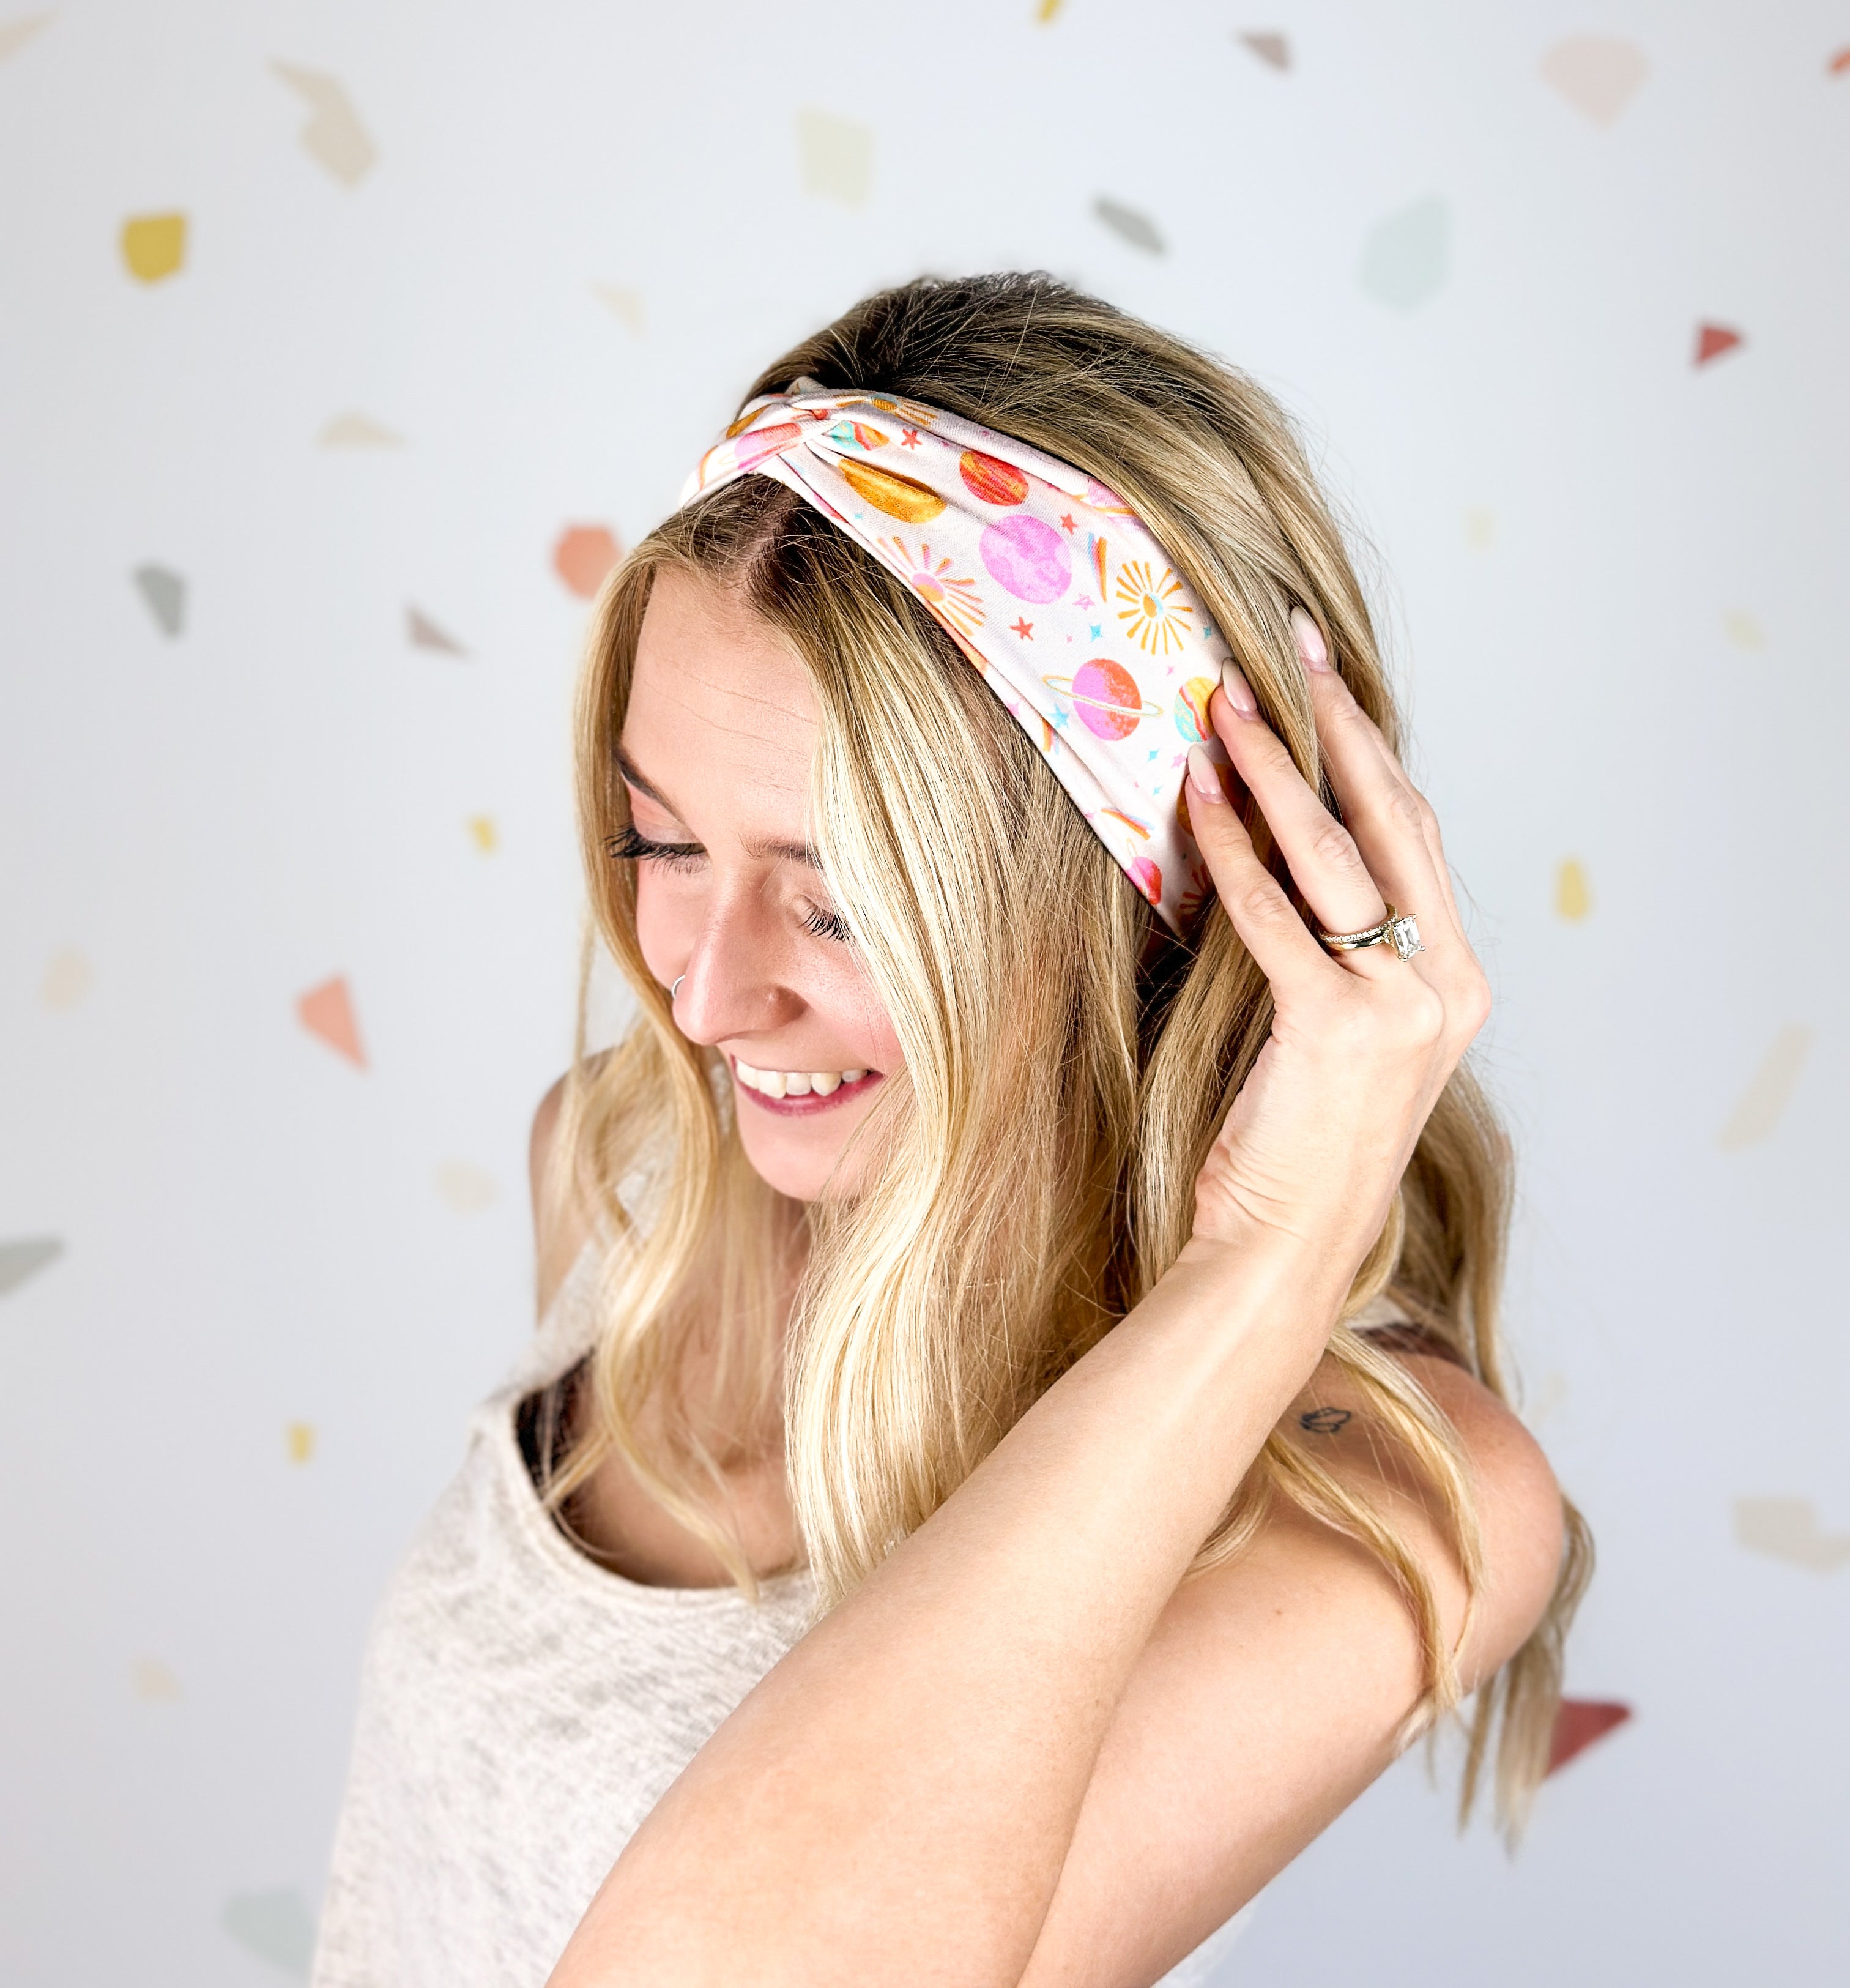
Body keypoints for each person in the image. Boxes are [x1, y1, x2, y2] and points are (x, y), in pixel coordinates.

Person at [311, 273, 1587, 1988]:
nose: (702, 1001)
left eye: (838, 911)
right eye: (660, 844)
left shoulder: (1378, 1500)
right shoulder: (629, 1174)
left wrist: (1260, 1269)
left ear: (1167, 906)